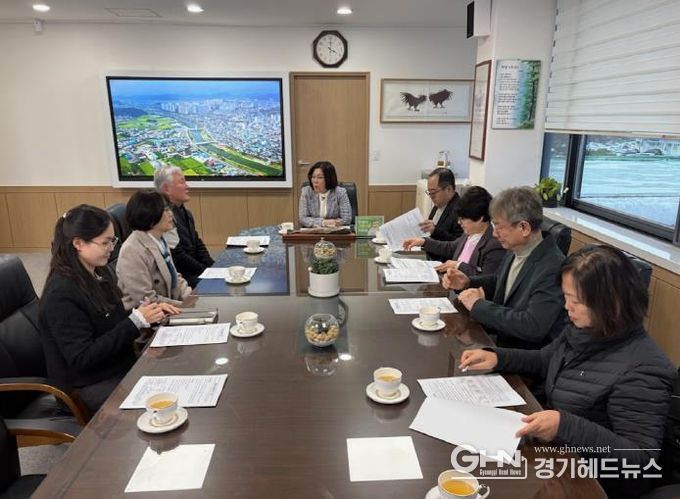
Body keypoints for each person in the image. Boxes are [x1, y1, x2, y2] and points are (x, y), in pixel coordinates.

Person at [459, 245, 677, 499]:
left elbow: (639, 457)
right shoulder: (586, 328)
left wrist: (565, 426)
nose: (566, 307)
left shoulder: (644, 368)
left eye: (576, 301)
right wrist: (498, 358)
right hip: (557, 454)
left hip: (592, 481)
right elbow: (546, 359)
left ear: (613, 304)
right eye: (566, 297)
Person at [39, 205, 172, 413]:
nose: (112, 248)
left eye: (113, 240)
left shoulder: (99, 272)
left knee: (171, 376)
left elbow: (111, 320)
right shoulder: (61, 293)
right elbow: (82, 358)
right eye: (105, 242)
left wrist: (147, 313)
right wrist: (135, 321)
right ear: (78, 243)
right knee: (162, 404)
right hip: (87, 385)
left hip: (114, 366)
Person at [443, 187, 566, 349]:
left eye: (498, 226)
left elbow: (532, 326)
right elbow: (499, 281)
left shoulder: (553, 267)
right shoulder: (516, 248)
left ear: (524, 228)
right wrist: (468, 282)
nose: (494, 234)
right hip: (499, 341)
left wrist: (479, 305)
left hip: (521, 354)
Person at [403, 186, 505, 277]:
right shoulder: (470, 233)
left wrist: (458, 265)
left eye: (463, 219)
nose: (459, 222)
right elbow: (450, 247)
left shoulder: (494, 245)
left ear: (480, 218)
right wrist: (424, 242)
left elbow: (486, 279)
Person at [116, 190, 192, 310]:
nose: (171, 214)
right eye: (165, 210)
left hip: (169, 307)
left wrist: (191, 296)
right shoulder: (132, 250)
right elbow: (145, 299)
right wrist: (184, 306)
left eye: (169, 209)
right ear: (149, 216)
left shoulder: (159, 239)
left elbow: (174, 276)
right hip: (147, 314)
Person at [154, 165, 214, 288]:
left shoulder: (185, 212)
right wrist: (206, 272)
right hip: (180, 278)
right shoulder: (163, 218)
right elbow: (178, 257)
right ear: (166, 188)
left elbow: (197, 243)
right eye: (182, 182)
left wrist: (213, 267)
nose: (187, 186)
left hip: (194, 271)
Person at [298, 161, 352, 228]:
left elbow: (347, 218)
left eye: (320, 177)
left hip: (335, 231)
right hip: (313, 231)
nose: (315, 181)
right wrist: (323, 222)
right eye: (313, 177)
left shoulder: (340, 192)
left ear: (329, 178)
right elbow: (302, 219)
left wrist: (313, 221)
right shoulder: (306, 192)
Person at [419, 167, 463, 241]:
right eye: (429, 192)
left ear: (448, 189)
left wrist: (435, 231)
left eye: (433, 192)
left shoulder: (460, 210)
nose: (431, 196)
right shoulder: (439, 203)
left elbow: (459, 243)